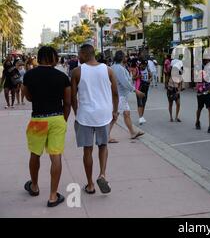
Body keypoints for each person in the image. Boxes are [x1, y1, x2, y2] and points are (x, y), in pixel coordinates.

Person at [21, 46, 71, 207]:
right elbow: (68, 102)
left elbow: (27, 96)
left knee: (35, 154)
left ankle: (34, 186)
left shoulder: (29, 75)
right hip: (56, 118)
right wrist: (63, 119)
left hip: (38, 119)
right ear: (54, 58)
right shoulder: (62, 76)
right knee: (55, 156)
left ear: (39, 57)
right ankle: (52, 196)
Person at [71, 44, 119, 195]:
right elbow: (116, 93)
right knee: (103, 146)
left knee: (87, 150)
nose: (78, 56)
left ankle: (90, 184)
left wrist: (76, 112)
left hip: (85, 115)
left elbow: (72, 96)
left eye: (79, 53)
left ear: (85, 54)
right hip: (103, 115)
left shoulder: (77, 71)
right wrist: (115, 111)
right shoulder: (108, 70)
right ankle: (102, 174)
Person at [109, 51, 145, 143]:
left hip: (120, 95)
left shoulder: (115, 67)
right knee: (115, 116)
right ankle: (106, 135)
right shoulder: (119, 68)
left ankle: (132, 132)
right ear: (122, 58)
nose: (127, 58)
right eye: (125, 56)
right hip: (119, 96)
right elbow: (124, 82)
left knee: (126, 113)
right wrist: (136, 91)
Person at [195, 62, 210, 134]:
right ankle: (197, 121)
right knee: (199, 108)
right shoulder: (200, 71)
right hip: (200, 92)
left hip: (208, 92)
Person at [137, 60, 150, 125]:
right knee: (140, 103)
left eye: (145, 65)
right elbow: (133, 78)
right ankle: (140, 117)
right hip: (139, 87)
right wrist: (139, 77)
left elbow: (151, 76)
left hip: (146, 87)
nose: (144, 66)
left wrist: (149, 80)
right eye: (143, 65)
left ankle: (141, 116)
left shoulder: (147, 69)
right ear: (140, 64)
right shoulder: (138, 69)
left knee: (144, 103)